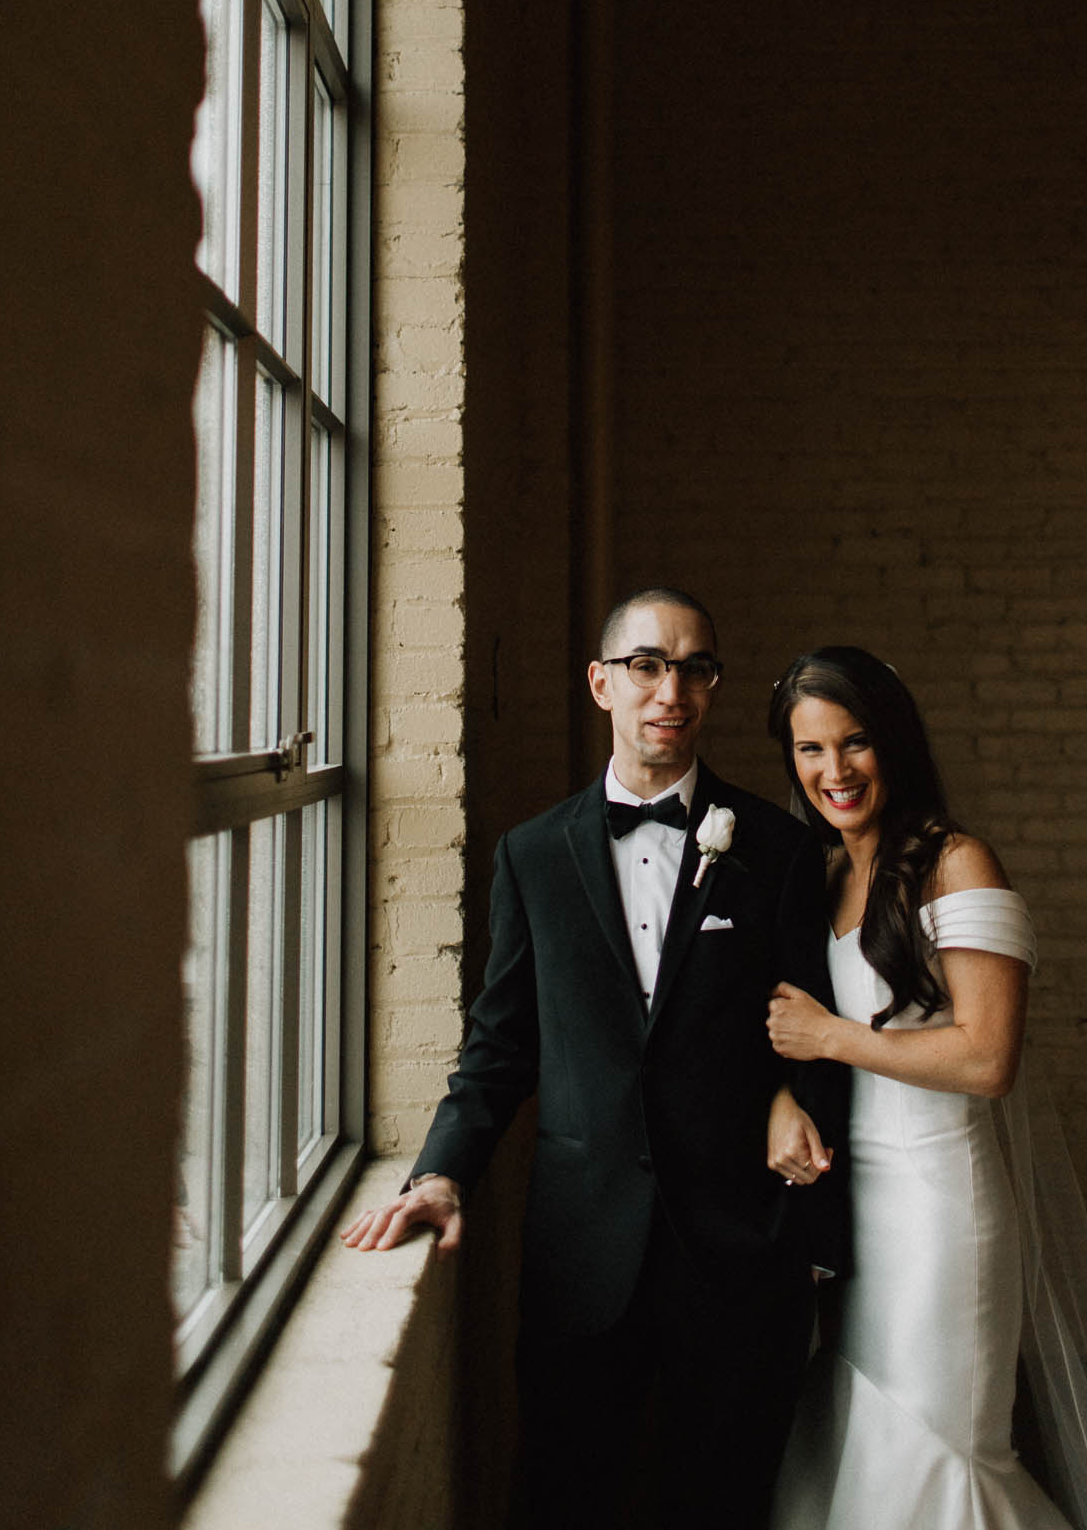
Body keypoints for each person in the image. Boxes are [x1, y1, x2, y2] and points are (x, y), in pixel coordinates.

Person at [341, 589, 847, 1530]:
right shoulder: (532, 855)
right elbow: (500, 1046)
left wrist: (789, 1098)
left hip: (738, 1252)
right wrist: (442, 1174)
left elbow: (816, 1022)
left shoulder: (776, 848)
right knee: (569, 1498)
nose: (671, 691)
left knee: (727, 1504)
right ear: (600, 683)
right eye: (647, 665)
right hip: (584, 1254)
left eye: (694, 669)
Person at [763, 646, 1087, 1530]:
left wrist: (833, 1038)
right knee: (863, 1447)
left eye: (855, 743)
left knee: (943, 1447)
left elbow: (989, 1059)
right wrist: (783, 1098)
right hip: (846, 1210)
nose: (833, 771)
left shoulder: (955, 863)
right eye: (809, 750)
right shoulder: (823, 874)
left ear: (895, 744)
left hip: (938, 1209)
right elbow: (775, 1039)